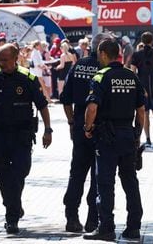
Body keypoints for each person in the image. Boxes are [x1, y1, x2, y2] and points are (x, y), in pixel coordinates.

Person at [0, 44, 52, 234]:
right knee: (2, 176)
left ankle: (13, 205)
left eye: (5, 60)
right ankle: (12, 214)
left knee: (20, 172)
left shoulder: (28, 78)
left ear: (15, 58)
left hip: (22, 136)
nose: (1, 64)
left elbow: (42, 105)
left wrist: (48, 130)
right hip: (0, 136)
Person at [83, 38, 145, 241]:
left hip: (107, 138)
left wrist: (88, 127)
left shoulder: (101, 77)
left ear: (102, 53)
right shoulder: (131, 76)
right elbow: (141, 110)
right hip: (128, 135)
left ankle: (106, 228)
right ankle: (134, 227)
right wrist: (136, 134)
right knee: (130, 182)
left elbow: (92, 108)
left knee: (105, 184)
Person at [60, 33, 109, 233]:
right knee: (98, 175)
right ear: (103, 51)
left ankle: (71, 216)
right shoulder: (106, 70)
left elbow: (65, 99)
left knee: (77, 172)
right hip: (101, 127)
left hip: (80, 125)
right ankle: (92, 219)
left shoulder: (77, 65)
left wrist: (72, 121)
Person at [131, 31, 153, 147]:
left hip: (142, 88)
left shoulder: (136, 55)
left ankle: (148, 138)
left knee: (145, 114)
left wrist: (136, 87)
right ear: (152, 41)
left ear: (142, 41)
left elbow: (133, 72)